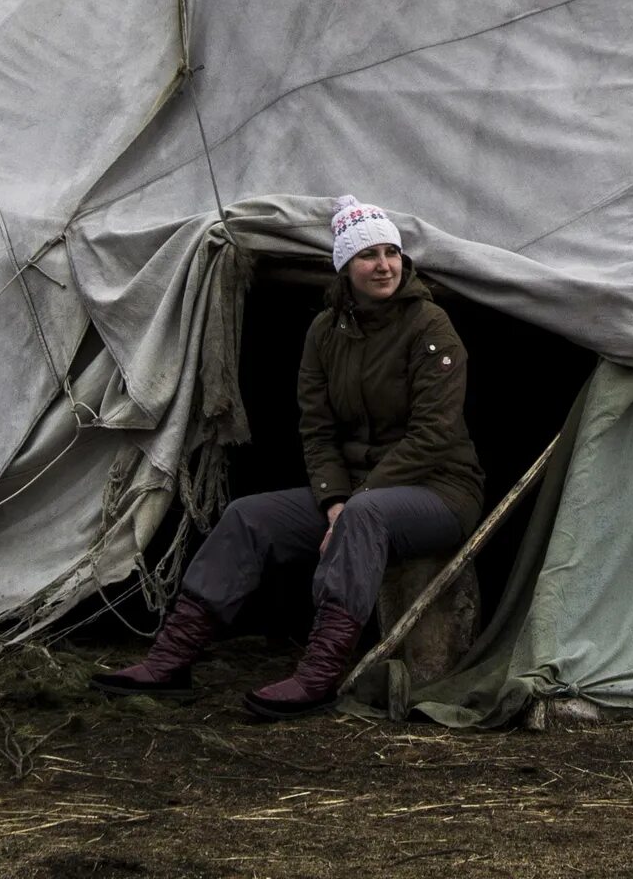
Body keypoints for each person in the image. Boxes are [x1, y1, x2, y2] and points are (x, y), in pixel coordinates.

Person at [99, 196, 484, 719]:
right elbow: (317, 431)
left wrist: (356, 503)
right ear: (344, 266)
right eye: (368, 255)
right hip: (354, 494)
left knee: (365, 518)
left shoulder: (429, 325)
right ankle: (171, 660)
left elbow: (434, 434)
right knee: (248, 517)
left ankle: (320, 675)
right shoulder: (325, 332)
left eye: (391, 252)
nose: (384, 265)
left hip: (438, 490)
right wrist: (333, 502)